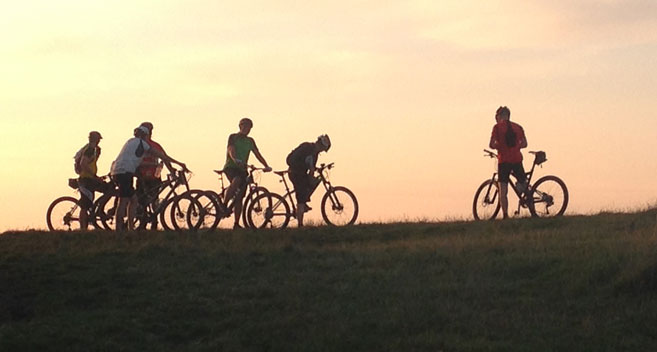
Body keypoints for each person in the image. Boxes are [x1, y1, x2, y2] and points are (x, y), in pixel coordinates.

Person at [111, 125, 187, 231]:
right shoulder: (143, 144)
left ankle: (130, 228)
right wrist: (179, 163)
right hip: (126, 172)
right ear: (145, 135)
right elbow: (163, 156)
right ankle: (120, 229)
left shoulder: (130, 141)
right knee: (123, 201)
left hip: (117, 171)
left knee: (133, 200)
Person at [222, 118, 272, 229]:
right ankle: (224, 205)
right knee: (237, 180)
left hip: (243, 169)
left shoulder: (250, 141)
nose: (246, 129)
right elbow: (231, 149)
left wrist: (266, 165)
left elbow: (257, 154)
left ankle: (236, 223)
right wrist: (235, 159)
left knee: (240, 197)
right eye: (244, 126)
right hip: (231, 167)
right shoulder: (233, 137)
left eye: (249, 127)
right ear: (240, 126)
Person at [488, 106, 530, 219]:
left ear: (499, 116)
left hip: (504, 160)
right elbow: (525, 144)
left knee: (503, 189)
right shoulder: (518, 127)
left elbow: (491, 144)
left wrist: (499, 146)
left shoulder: (497, 128)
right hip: (517, 159)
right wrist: (516, 147)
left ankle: (505, 215)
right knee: (524, 184)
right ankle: (532, 208)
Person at [135, 122, 175, 226]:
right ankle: (153, 221)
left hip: (143, 175)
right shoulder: (155, 145)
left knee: (142, 199)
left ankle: (143, 222)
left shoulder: (137, 144)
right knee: (153, 199)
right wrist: (172, 170)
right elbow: (165, 158)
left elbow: (164, 158)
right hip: (152, 176)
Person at [286, 134, 331, 227]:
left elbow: (311, 169)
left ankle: (304, 203)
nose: (322, 151)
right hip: (295, 173)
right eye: (322, 148)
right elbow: (303, 163)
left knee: (307, 187)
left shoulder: (315, 155)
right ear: (320, 145)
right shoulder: (306, 147)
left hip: (301, 174)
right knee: (300, 197)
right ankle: (300, 224)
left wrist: (313, 171)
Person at [75, 131, 110, 230]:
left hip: (90, 178)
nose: (99, 141)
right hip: (86, 179)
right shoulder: (89, 150)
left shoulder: (92, 149)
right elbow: (83, 164)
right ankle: (83, 229)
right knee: (85, 205)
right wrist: (94, 175)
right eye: (98, 139)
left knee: (108, 189)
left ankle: (99, 210)